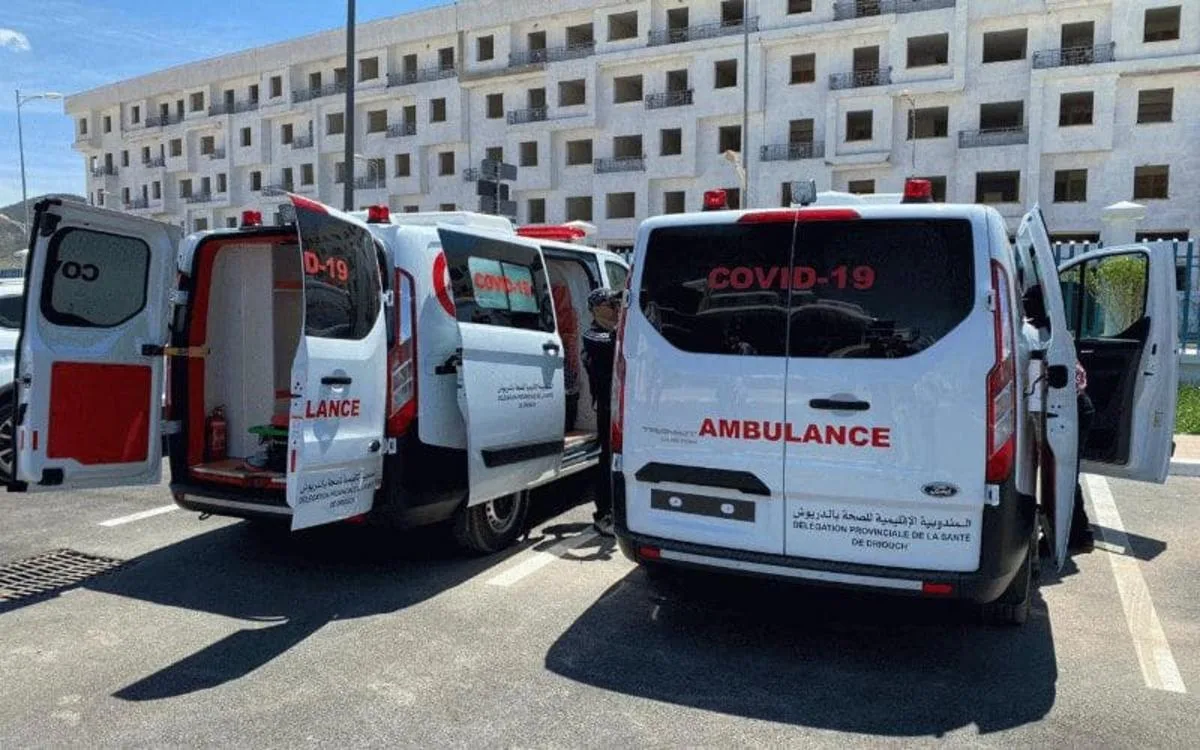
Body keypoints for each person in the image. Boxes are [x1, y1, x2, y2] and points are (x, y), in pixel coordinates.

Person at [582, 288, 621, 537]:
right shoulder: (593, 335)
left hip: (621, 404)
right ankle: (603, 513)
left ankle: (618, 509)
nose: (615, 310)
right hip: (607, 406)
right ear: (597, 309)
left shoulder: (614, 332)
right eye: (610, 305)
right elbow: (612, 344)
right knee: (607, 458)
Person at [1071, 361, 1096, 552]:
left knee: (1066, 477)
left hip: (1073, 410)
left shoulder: (1053, 348)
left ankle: (1080, 535)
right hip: (1074, 407)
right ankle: (1079, 534)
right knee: (1067, 476)